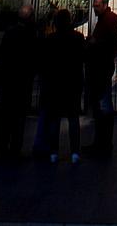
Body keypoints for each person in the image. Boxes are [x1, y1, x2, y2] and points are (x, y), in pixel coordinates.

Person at [38, 9, 85, 163]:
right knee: (73, 118)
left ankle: (53, 152)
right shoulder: (78, 38)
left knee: (54, 119)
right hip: (72, 83)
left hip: (55, 84)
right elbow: (83, 58)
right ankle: (75, 152)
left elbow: (44, 62)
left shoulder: (50, 39)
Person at [0, 4, 38, 161]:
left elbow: (1, 54)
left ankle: (2, 148)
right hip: (22, 81)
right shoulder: (31, 34)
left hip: (8, 80)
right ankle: (15, 148)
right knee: (19, 117)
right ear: (30, 18)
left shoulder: (9, 33)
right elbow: (34, 56)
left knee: (5, 116)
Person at [85, 0, 117, 158]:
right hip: (99, 66)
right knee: (100, 104)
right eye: (94, 7)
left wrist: (95, 42)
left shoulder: (111, 20)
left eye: (97, 6)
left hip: (103, 65)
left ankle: (104, 142)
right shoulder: (104, 20)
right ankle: (100, 141)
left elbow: (109, 43)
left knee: (104, 104)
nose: (95, 9)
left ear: (105, 4)